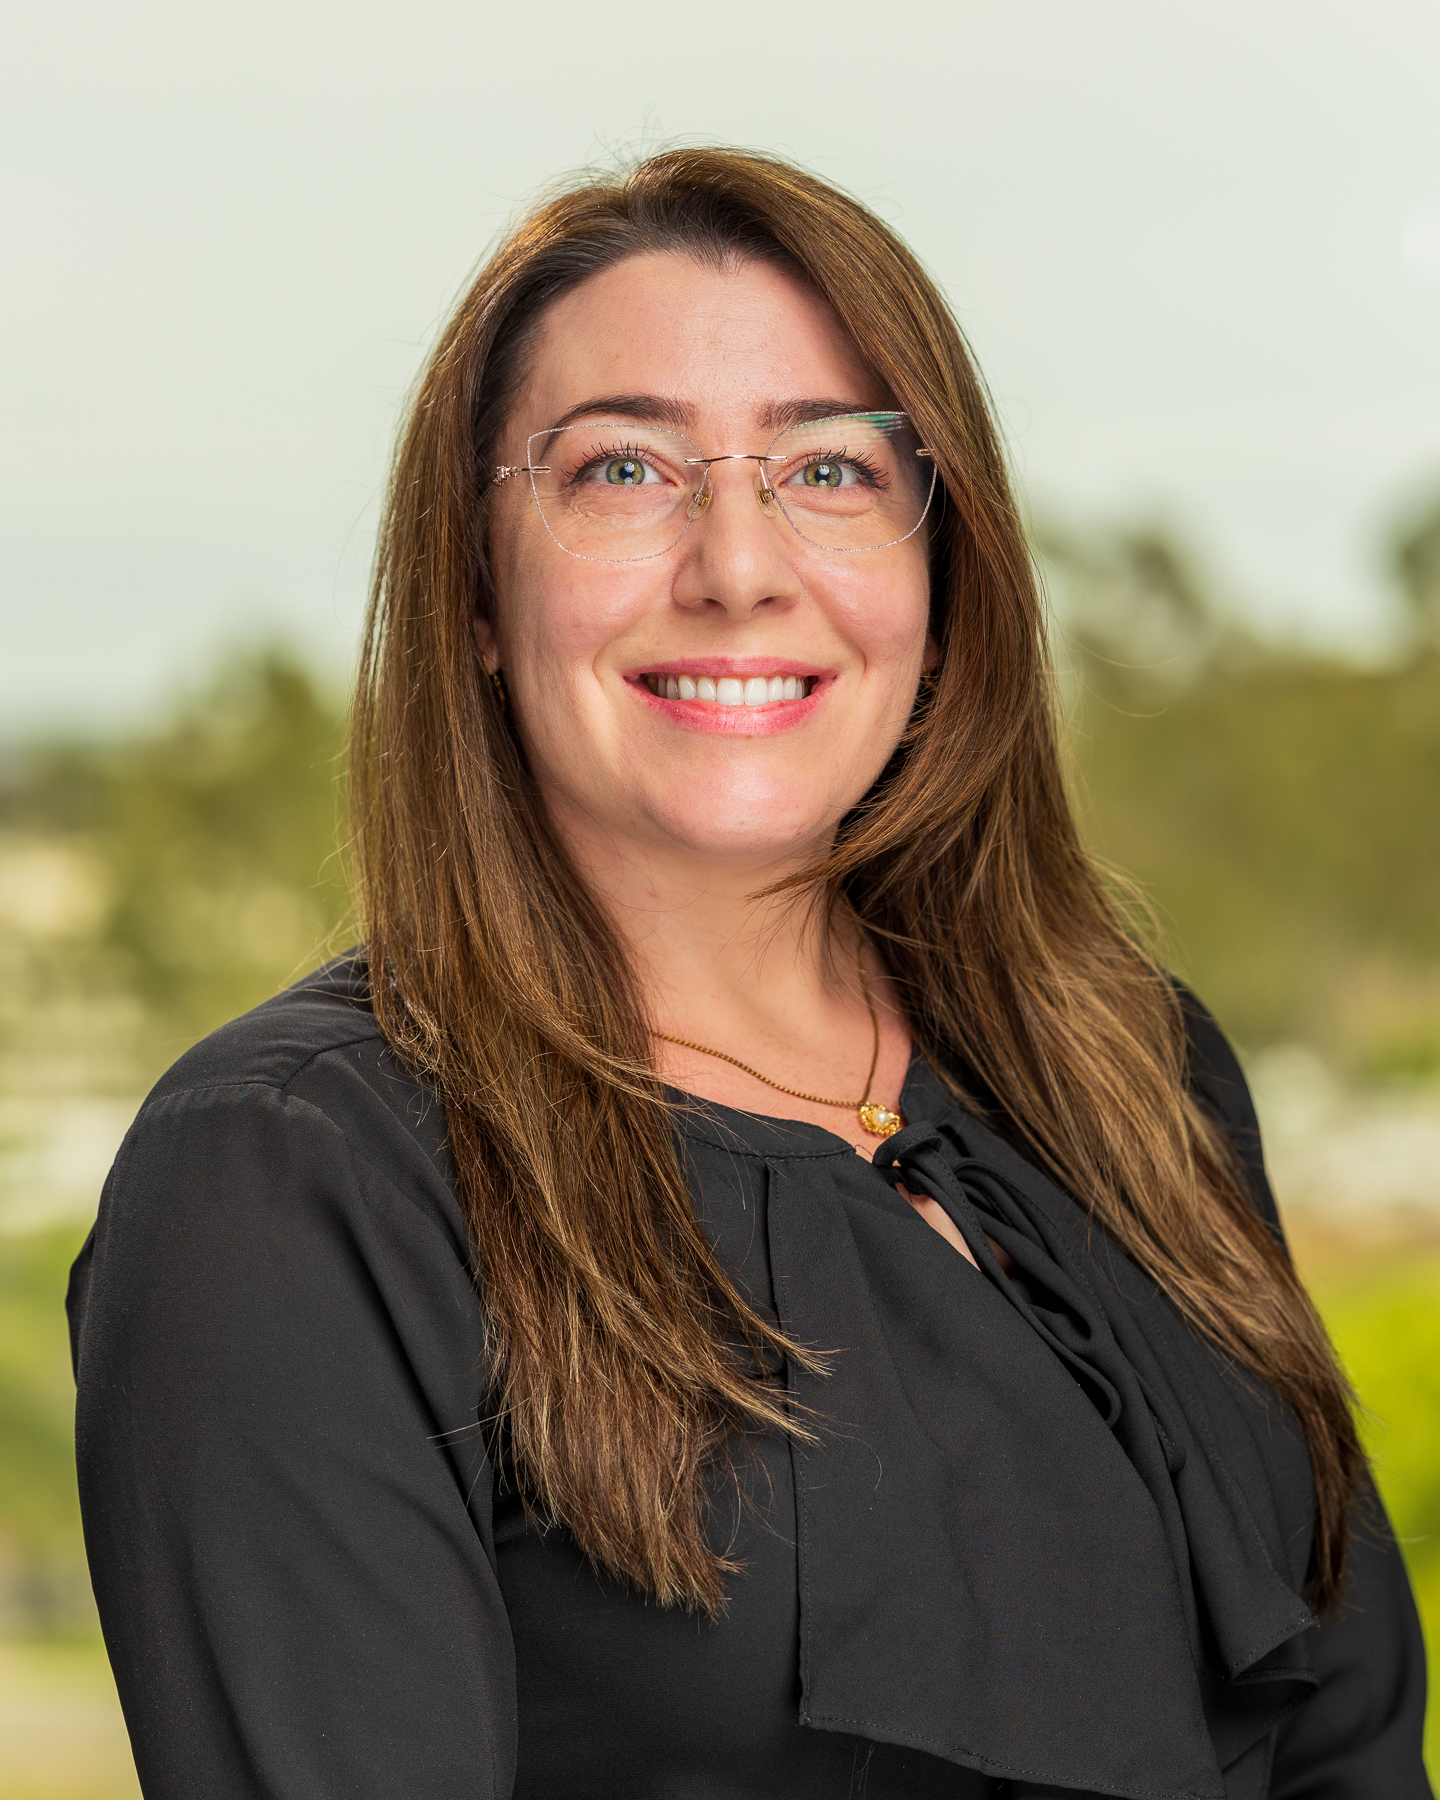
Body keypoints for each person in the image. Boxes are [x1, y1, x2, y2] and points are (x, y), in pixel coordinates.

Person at [69, 148, 1430, 1800]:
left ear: (945, 565)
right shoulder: (292, 1182)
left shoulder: (1125, 1064)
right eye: (624, 469)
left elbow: (1345, 1743)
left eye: (834, 471)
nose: (737, 563)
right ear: (480, 590)